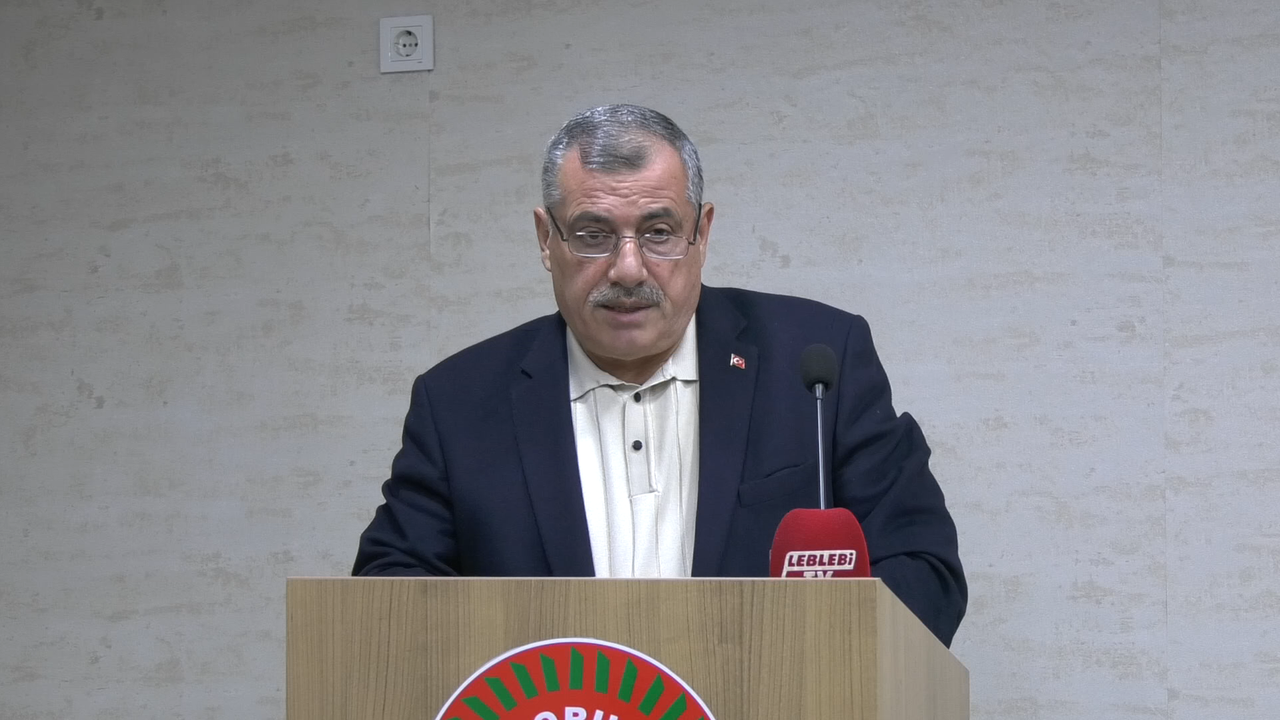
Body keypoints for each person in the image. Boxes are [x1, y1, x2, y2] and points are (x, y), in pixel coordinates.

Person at [353, 104, 967, 646]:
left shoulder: (815, 365)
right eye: (592, 235)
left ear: (702, 233)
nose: (627, 268)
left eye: (659, 232)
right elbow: (390, 600)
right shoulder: (459, 402)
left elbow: (923, 570)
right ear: (546, 239)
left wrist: (783, 667)